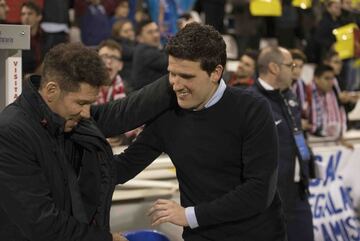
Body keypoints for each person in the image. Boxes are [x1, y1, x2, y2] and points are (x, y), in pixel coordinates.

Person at [116, 23, 286, 241]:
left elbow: (259, 191)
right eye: (172, 74)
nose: (176, 85)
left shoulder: (253, 109)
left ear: (216, 73)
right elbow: (122, 167)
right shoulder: (168, 115)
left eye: (186, 76)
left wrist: (190, 215)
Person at [0, 42, 175, 241]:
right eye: (81, 103)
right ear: (51, 90)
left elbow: (123, 112)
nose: (86, 113)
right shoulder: (11, 134)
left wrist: (174, 80)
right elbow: (42, 223)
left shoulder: (68, 118)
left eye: (90, 104)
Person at [250, 46, 314, 241]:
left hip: (298, 192)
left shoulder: (290, 97)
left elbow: (297, 136)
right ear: (274, 68)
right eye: (290, 65)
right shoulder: (250, 102)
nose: (294, 69)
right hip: (270, 199)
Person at [130, 20, 168, 90]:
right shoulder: (144, 52)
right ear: (139, 38)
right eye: (150, 32)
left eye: (156, 31)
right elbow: (171, 62)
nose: (156, 35)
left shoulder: (147, 49)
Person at [20, 1, 44, 76]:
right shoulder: (17, 38)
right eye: (23, 14)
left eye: (30, 13)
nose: (26, 17)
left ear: (39, 17)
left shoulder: (49, 37)